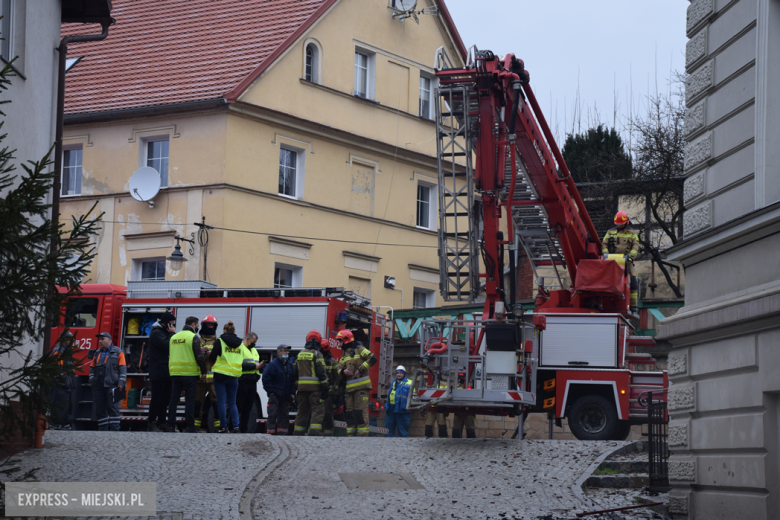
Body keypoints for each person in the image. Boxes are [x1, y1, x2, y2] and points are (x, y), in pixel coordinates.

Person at [167, 316, 206, 433]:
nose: (198, 328)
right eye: (198, 325)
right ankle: (190, 426)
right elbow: (198, 356)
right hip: (189, 373)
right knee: (190, 400)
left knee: (174, 400)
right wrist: (203, 371)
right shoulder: (193, 337)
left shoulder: (173, 337)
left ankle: (171, 426)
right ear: (193, 325)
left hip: (175, 373)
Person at [337, 329, 377, 437]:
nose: (339, 344)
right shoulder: (344, 354)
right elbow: (338, 369)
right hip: (350, 390)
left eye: (340, 341)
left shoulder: (360, 349)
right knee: (350, 413)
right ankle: (350, 436)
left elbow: (372, 358)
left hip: (361, 388)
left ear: (345, 340)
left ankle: (362, 436)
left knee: (360, 412)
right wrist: (343, 372)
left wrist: (361, 369)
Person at [209, 321, 244, 433]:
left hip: (220, 375)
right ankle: (236, 427)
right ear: (234, 331)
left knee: (221, 402)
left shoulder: (220, 341)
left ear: (224, 330)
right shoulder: (241, 344)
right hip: (234, 376)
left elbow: (213, 357)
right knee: (232, 402)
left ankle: (223, 427)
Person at [293, 330, 329, 436]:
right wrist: (325, 387)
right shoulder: (317, 354)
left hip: (301, 389)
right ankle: (314, 433)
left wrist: (297, 387)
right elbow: (321, 372)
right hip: (315, 390)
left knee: (302, 411)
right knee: (317, 410)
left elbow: (295, 372)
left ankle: (298, 433)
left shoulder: (300, 354)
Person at [602, 210, 640, 310]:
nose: (619, 226)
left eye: (621, 224)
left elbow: (635, 246)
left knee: (633, 280)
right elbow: (604, 244)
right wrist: (606, 256)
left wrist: (631, 257)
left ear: (626, 222)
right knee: (607, 280)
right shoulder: (610, 232)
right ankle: (606, 302)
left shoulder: (632, 233)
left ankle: (633, 305)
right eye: (617, 225)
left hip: (627, 259)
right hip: (612, 260)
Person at [89, 332, 126, 432]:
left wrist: (121, 382)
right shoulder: (97, 353)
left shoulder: (118, 352)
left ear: (109, 340)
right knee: (100, 408)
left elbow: (122, 368)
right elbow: (92, 367)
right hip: (98, 385)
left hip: (112, 384)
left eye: (102, 339)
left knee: (113, 408)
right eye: (99, 339)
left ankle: (115, 430)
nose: (100, 341)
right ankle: (103, 429)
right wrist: (92, 378)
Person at [147, 312, 176, 432]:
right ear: (165, 323)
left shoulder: (163, 332)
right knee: (157, 399)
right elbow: (168, 346)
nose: (173, 326)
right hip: (158, 371)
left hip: (166, 371)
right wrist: (171, 334)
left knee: (165, 400)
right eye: (171, 324)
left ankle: (162, 422)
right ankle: (151, 422)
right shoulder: (156, 333)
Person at [194, 315, 220, 432]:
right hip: (200, 378)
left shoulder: (219, 341)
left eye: (212, 325)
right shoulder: (197, 341)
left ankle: (218, 427)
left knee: (216, 403)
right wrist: (200, 352)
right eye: (208, 325)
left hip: (214, 379)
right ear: (203, 326)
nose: (210, 327)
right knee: (197, 403)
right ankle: (195, 426)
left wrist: (213, 355)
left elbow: (225, 359)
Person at [262, 344, 295, 435]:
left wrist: (292, 392)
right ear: (278, 352)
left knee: (284, 417)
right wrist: (271, 392)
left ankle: (282, 435)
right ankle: (270, 435)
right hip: (275, 396)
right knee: (272, 415)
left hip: (285, 397)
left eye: (287, 351)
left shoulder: (290, 366)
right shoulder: (272, 365)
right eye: (284, 351)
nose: (286, 353)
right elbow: (265, 379)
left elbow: (292, 381)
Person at [237, 332, 264, 433]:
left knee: (248, 407)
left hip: (252, 382)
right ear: (247, 339)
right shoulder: (240, 348)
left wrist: (260, 366)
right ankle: (234, 427)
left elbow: (254, 363)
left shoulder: (254, 350)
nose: (254, 344)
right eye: (253, 342)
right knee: (238, 405)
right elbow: (238, 363)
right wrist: (254, 366)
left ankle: (243, 429)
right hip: (242, 381)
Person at [48, 331, 75, 430]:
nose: (72, 342)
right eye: (71, 340)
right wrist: (63, 377)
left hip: (66, 383)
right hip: (60, 384)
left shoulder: (66, 351)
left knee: (67, 405)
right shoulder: (58, 351)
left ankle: (64, 423)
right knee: (60, 404)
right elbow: (58, 368)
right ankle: (55, 423)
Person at [384, 365, 412, 438]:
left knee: (402, 431)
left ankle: (402, 447)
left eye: (401, 373)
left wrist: (407, 406)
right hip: (391, 409)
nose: (399, 374)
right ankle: (387, 446)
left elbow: (413, 396)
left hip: (402, 409)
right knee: (388, 430)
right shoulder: (392, 383)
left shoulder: (409, 382)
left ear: (404, 374)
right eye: (397, 373)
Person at [320, 339, 339, 436]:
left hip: (328, 395)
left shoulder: (333, 363)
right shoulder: (316, 361)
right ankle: (315, 434)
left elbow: (337, 380)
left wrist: (336, 395)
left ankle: (328, 435)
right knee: (316, 415)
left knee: (327, 415)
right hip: (317, 393)